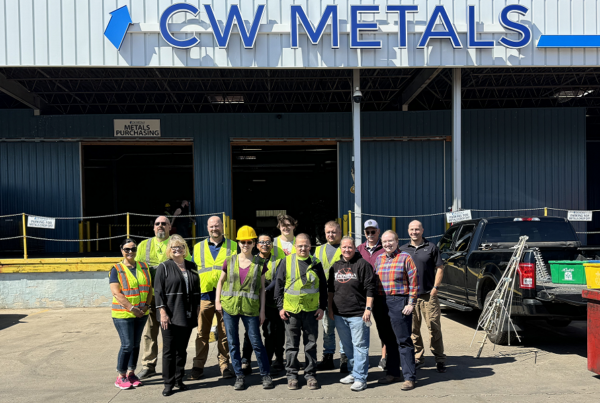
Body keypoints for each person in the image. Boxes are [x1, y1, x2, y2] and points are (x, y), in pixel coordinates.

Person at [216, 226, 273, 390]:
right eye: (243, 242)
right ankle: (239, 376)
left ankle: (265, 375)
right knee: (233, 343)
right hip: (230, 307)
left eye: (249, 242)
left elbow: (262, 289)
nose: (246, 245)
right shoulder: (230, 260)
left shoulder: (260, 263)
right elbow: (220, 281)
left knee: (256, 342)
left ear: (254, 243)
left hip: (251, 309)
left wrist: (262, 311)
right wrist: (218, 301)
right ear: (238, 243)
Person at [136, 216, 191, 380]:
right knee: (149, 332)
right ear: (153, 228)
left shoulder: (177, 245)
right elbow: (135, 268)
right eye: (157, 224)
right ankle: (148, 365)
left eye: (164, 224)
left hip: (172, 298)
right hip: (150, 297)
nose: (160, 226)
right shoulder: (143, 246)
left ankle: (173, 366)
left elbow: (186, 269)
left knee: (172, 334)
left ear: (169, 227)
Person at [273, 234, 328, 390]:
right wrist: (280, 307)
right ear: (295, 246)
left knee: (310, 344)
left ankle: (310, 375)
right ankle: (292, 376)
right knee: (291, 346)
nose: (303, 248)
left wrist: (322, 307)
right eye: (300, 245)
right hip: (291, 311)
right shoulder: (286, 261)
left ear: (310, 246)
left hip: (311, 311)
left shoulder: (316, 263)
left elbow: (323, 287)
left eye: (306, 245)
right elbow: (279, 285)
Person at [189, 216, 236, 380]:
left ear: (223, 227)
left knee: (225, 333)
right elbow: (192, 274)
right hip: (205, 296)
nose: (214, 228)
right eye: (211, 226)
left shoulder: (234, 246)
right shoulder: (197, 247)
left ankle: (224, 366)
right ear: (207, 228)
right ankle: (198, 366)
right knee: (202, 333)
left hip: (226, 297)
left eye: (217, 225)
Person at [154, 235, 201, 397]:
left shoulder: (192, 265)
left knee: (181, 350)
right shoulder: (164, 267)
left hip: (187, 314)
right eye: (173, 247)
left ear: (185, 249)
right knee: (169, 350)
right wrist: (162, 312)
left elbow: (197, 289)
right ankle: (168, 383)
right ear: (169, 250)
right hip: (169, 315)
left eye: (180, 246)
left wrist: (197, 307)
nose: (177, 249)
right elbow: (158, 291)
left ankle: (179, 379)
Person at [328, 236, 375, 391]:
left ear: (355, 248)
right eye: (344, 247)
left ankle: (361, 378)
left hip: (358, 314)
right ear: (340, 249)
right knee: (348, 347)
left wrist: (368, 309)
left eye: (350, 247)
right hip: (340, 314)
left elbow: (370, 288)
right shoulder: (335, 266)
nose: (347, 250)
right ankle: (354, 373)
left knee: (360, 346)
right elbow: (331, 290)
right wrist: (330, 308)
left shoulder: (362, 265)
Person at [400, 220, 446, 373]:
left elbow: (440, 268)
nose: (414, 232)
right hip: (410, 298)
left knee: (434, 328)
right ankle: (418, 357)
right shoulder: (402, 250)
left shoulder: (431, 247)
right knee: (413, 330)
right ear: (408, 231)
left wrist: (435, 289)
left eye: (417, 229)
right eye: (412, 229)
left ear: (422, 230)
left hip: (428, 295)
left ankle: (439, 358)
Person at [374, 230, 419, 391]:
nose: (387, 244)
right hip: (381, 302)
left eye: (390, 241)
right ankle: (393, 373)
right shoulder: (379, 259)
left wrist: (411, 303)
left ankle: (409, 377)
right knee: (388, 340)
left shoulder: (405, 258)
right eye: (384, 242)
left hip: (399, 301)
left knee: (403, 340)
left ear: (397, 241)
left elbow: (414, 282)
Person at [109, 238, 152, 390]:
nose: (130, 252)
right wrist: (132, 308)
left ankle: (131, 373)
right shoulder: (116, 269)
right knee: (127, 345)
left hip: (141, 313)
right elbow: (116, 293)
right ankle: (120, 376)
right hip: (123, 315)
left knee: (135, 344)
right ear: (121, 250)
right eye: (127, 249)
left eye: (133, 249)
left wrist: (146, 306)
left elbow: (149, 288)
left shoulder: (144, 267)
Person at [240, 234, 285, 376]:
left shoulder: (279, 260)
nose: (265, 244)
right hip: (253, 303)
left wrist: (264, 290)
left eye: (268, 242)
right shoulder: (252, 260)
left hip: (272, 302)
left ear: (272, 244)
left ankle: (270, 360)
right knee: (250, 332)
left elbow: (278, 278)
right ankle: (245, 360)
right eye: (261, 242)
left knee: (271, 333)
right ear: (257, 245)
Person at [314, 221, 346, 372]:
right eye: (328, 232)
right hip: (324, 296)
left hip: (342, 296)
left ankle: (345, 358)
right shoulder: (318, 250)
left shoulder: (346, 248)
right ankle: (328, 356)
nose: (331, 235)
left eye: (334, 232)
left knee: (343, 328)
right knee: (327, 328)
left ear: (340, 232)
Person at [356, 219, 387, 370]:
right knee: (362, 329)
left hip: (381, 294)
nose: (370, 234)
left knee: (383, 327)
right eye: (367, 232)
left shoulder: (385, 247)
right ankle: (363, 359)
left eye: (373, 231)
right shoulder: (358, 249)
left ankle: (384, 357)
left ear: (378, 232)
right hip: (364, 296)